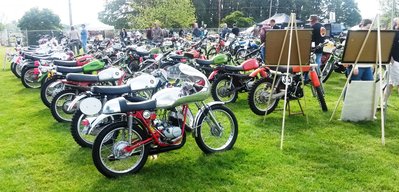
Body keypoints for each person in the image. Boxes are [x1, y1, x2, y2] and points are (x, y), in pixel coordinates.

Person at [385, 17, 399, 100]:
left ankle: (383, 103)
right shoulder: (392, 34)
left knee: (390, 84)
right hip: (394, 61)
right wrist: (391, 59)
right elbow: (386, 46)